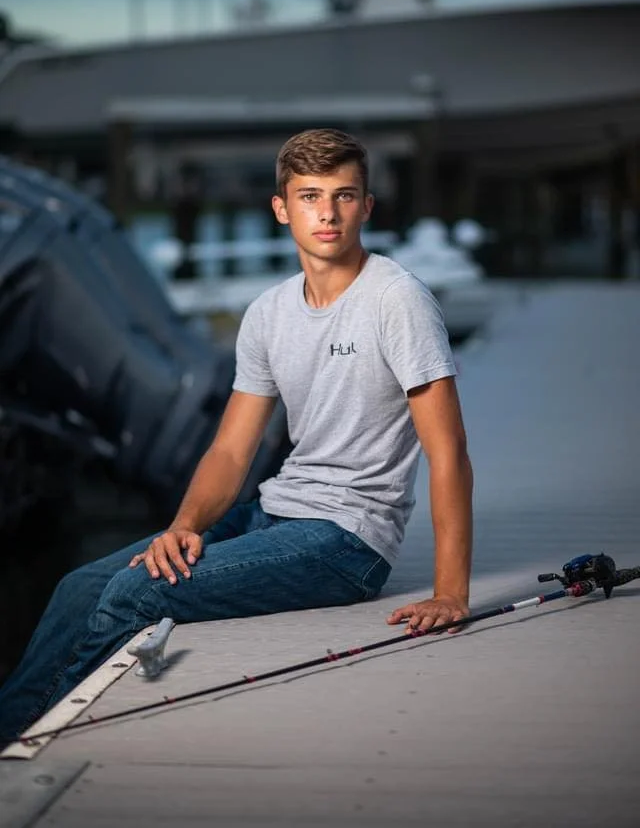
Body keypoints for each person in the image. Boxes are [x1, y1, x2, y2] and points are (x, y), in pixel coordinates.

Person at [0, 128, 473, 747]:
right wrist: (184, 526)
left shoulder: (396, 299)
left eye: (343, 195)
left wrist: (449, 592)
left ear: (366, 206)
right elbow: (230, 449)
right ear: (282, 208)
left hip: (345, 542)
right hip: (271, 513)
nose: (326, 213)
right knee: (79, 586)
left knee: (134, 592)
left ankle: (19, 734)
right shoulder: (269, 313)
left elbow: (448, 452)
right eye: (309, 197)